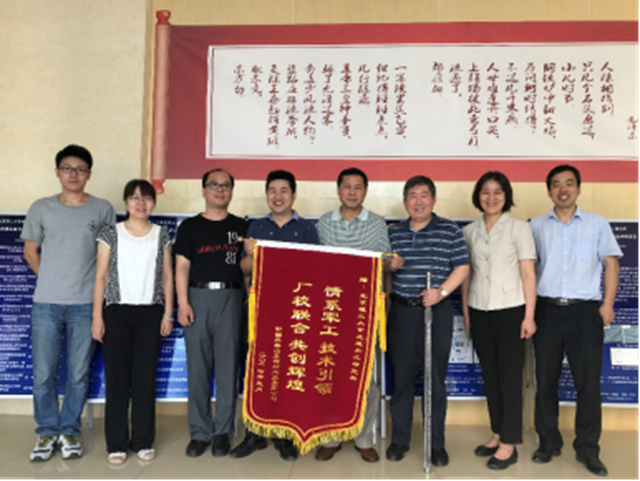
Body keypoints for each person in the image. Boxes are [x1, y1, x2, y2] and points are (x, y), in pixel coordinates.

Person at [21, 144, 116, 462]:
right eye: (67, 168)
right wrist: (51, 278)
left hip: (86, 305)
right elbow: (30, 251)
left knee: (78, 373)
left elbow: (107, 258)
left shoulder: (102, 209)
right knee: (43, 374)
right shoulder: (41, 208)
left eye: (80, 169)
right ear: (57, 172)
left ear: (89, 174)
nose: (73, 174)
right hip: (45, 304)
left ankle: (70, 430)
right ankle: (47, 431)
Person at [530, 165, 621, 477]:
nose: (563, 189)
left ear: (578, 189)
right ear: (549, 191)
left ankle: (587, 448)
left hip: (585, 313)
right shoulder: (536, 226)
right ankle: (548, 443)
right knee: (545, 381)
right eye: (556, 184)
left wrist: (607, 304)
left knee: (588, 384)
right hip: (546, 311)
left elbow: (611, 263)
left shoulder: (597, 223)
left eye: (569, 183)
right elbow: (527, 270)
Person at [230, 169, 319, 461]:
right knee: (255, 369)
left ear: (293, 195)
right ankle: (254, 434)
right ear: (267, 195)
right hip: (259, 310)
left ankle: (284, 435)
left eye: (284, 191)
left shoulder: (306, 229)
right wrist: (250, 255)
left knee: (286, 371)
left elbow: (315, 270)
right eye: (272, 191)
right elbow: (244, 269)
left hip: (294, 311)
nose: (278, 196)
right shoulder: (255, 226)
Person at [385, 175, 469, 466]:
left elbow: (462, 267)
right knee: (402, 379)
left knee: (435, 380)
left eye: (424, 195)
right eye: (412, 196)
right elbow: (385, 270)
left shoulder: (449, 230)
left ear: (433, 199)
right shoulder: (394, 232)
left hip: (436, 312)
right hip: (401, 312)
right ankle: (400, 439)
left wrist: (441, 291)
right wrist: (390, 265)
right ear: (405, 201)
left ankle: (436, 444)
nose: (418, 201)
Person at [91, 179, 174, 465]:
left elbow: (167, 276)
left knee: (144, 379)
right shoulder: (110, 233)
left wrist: (168, 313)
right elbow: (101, 276)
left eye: (147, 198)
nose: (141, 203)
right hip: (116, 312)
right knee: (117, 379)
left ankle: (142, 440)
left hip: (151, 312)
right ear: (126, 202)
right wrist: (97, 316)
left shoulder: (161, 234)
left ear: (153, 203)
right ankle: (116, 443)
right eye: (135, 198)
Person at [460, 172, 537, 470]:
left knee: (510, 378)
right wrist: (467, 313)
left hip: (511, 311)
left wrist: (529, 316)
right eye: (485, 192)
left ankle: (510, 443)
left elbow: (528, 274)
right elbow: (467, 276)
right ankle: (497, 433)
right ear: (477, 196)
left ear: (506, 196)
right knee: (490, 377)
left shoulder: (520, 228)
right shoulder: (470, 231)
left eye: (497, 192)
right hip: (479, 310)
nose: (491, 198)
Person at [313, 167, 390, 463]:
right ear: (338, 190)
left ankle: (364, 438)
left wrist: (390, 265)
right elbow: (313, 265)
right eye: (347, 186)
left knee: (364, 377)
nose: (352, 192)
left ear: (365, 191)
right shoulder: (323, 223)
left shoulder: (377, 223)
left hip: (363, 311)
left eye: (358, 187)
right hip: (330, 312)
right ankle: (330, 437)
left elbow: (383, 264)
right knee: (329, 374)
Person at [174, 169, 248, 458]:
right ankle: (199, 432)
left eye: (225, 185)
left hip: (231, 298)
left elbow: (249, 268)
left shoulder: (241, 226)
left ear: (232, 192)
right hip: (197, 298)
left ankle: (222, 432)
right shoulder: (190, 227)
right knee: (198, 369)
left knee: (228, 369)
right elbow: (181, 266)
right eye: (214, 185)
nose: (220, 190)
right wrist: (183, 303)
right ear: (203, 190)